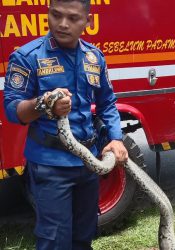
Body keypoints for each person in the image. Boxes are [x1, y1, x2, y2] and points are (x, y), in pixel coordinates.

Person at [3, 0, 128, 249]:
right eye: (56, 15)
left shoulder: (94, 57)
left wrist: (115, 138)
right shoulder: (27, 57)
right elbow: (12, 111)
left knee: (85, 234)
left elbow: (107, 103)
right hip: (50, 166)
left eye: (73, 18)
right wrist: (43, 105)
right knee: (54, 240)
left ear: (87, 22)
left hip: (89, 163)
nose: (62, 24)